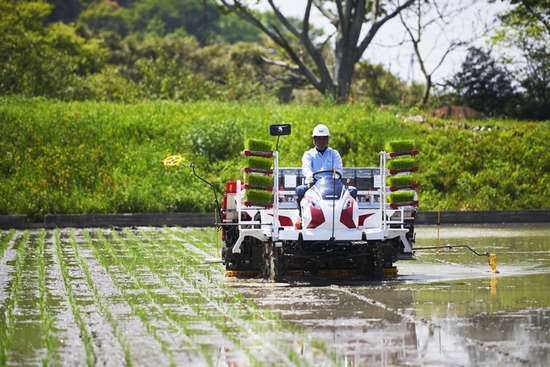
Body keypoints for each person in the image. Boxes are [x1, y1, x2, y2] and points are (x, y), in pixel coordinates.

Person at [295, 124, 357, 207]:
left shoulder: (334, 154)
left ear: (328, 139)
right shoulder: (308, 155)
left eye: (324, 138)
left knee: (353, 191)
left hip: (333, 184)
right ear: (314, 140)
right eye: (319, 138)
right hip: (313, 184)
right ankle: (301, 215)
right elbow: (306, 169)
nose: (321, 141)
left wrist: (334, 179)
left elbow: (338, 170)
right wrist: (310, 175)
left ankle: (348, 218)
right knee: (300, 190)